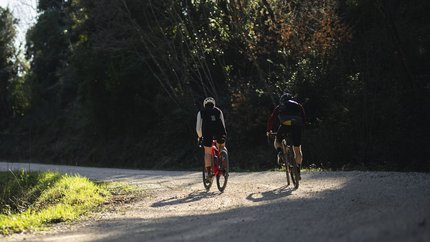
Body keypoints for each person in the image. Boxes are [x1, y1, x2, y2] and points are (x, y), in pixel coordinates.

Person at [266, 92, 306, 178]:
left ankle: (280, 152)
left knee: (277, 140)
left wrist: (269, 130)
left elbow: (272, 119)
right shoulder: (298, 105)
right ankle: (297, 169)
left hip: (285, 125)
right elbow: (303, 118)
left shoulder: (280, 106)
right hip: (297, 126)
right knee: (297, 149)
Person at [196, 97, 227, 179]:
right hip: (220, 132)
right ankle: (223, 165)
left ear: (204, 105)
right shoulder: (218, 111)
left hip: (207, 133)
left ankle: (209, 172)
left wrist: (200, 137)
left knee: (208, 152)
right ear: (214, 104)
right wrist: (223, 135)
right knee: (222, 148)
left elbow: (198, 128)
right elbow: (223, 125)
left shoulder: (201, 112)